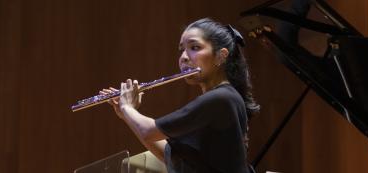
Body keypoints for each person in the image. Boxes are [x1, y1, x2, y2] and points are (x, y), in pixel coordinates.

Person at [100, 18, 259, 173]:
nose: (183, 57)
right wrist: (126, 114)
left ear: (221, 56)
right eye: (181, 49)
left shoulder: (221, 99)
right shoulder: (222, 98)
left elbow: (148, 131)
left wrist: (127, 107)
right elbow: (166, 154)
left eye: (194, 47)